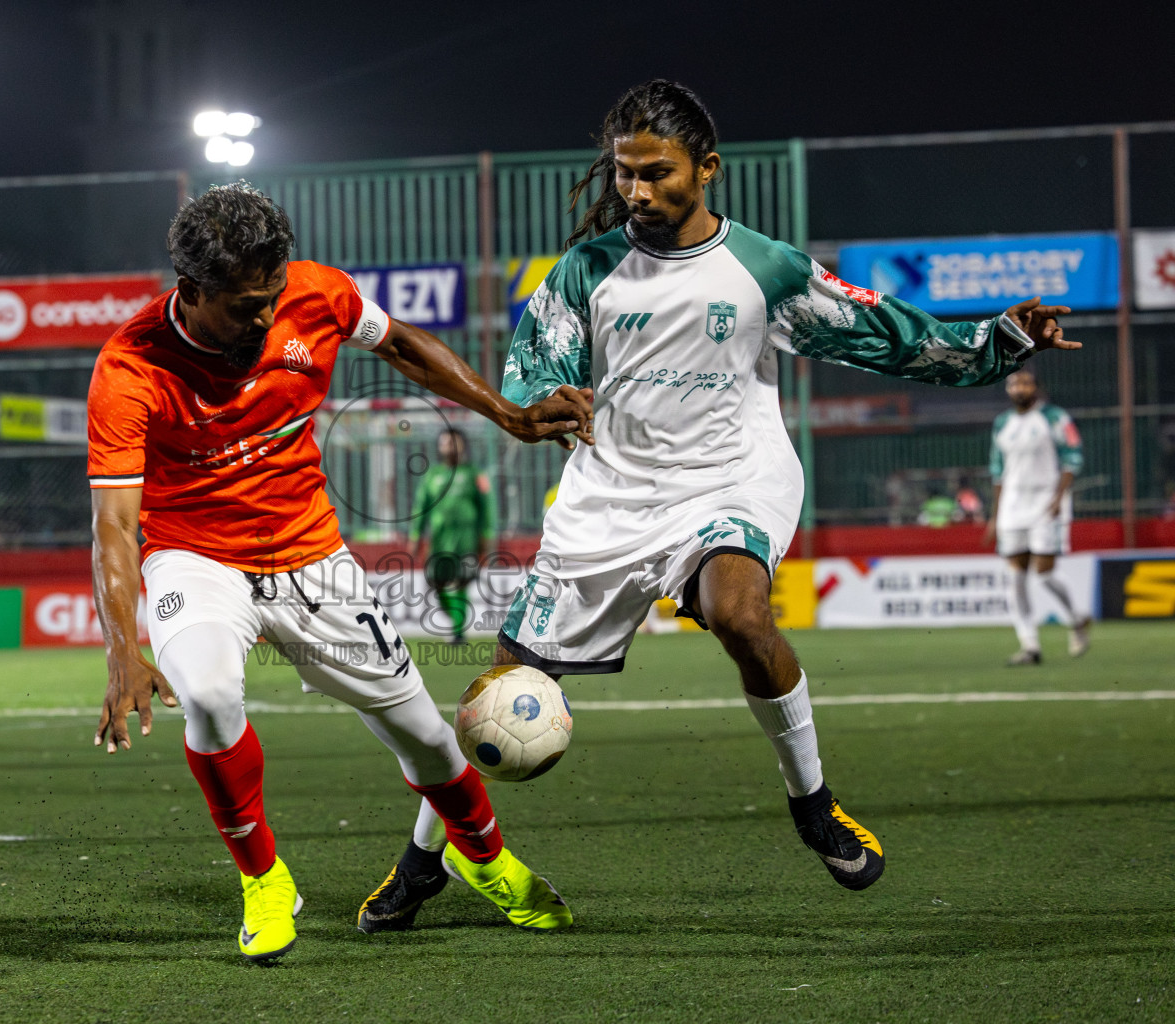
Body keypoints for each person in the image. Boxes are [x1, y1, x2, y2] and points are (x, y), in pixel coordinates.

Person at [394, 79, 1079, 910]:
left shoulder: (765, 267)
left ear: (708, 169)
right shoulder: (588, 268)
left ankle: (814, 805)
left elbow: (884, 333)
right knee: (504, 685)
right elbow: (539, 358)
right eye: (625, 174)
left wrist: (996, 338)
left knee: (741, 614)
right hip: (609, 495)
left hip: (730, 475)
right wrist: (543, 395)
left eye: (658, 173)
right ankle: (422, 862)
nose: (638, 192)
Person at [88, 183, 591, 961]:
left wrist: (507, 411)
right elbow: (115, 526)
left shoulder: (316, 293)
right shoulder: (128, 368)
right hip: (196, 556)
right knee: (211, 696)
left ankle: (482, 859)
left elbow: (400, 345)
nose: (265, 317)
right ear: (190, 292)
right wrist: (124, 645)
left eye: (272, 297)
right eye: (246, 305)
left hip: (312, 555)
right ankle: (264, 881)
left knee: (426, 739)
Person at [983, 369, 1090, 663]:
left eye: (1025, 382)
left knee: (1044, 574)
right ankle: (1030, 646)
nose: (1020, 387)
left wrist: (1059, 498)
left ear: (1036, 388)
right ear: (1008, 389)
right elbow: (997, 471)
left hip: (1046, 501)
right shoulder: (1002, 423)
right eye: (1014, 383)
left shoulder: (1055, 417)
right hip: (1012, 506)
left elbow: (1073, 457)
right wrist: (995, 516)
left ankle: (1076, 619)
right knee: (1015, 578)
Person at [409, 428, 493, 644]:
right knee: (437, 583)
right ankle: (456, 621)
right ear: (439, 446)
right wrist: (415, 535)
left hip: (466, 538)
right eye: (446, 442)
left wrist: (486, 535)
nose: (450, 446)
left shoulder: (474, 474)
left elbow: (486, 507)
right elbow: (421, 507)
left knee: (461, 582)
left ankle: (458, 631)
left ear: (463, 445)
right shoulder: (432, 476)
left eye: (455, 442)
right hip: (439, 539)